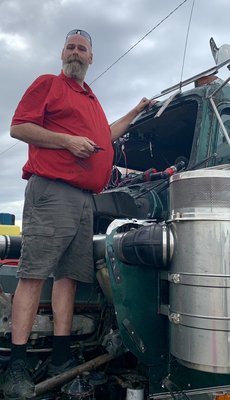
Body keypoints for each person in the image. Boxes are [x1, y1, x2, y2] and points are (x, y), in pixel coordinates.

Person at [3, 29, 152, 400]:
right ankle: (17, 365)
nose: (75, 52)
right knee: (34, 273)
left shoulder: (92, 101)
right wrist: (67, 141)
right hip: (52, 191)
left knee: (69, 277)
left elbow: (106, 136)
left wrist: (135, 112)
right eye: (70, 46)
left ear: (91, 58)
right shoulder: (49, 84)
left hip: (87, 200)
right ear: (62, 52)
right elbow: (18, 127)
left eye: (81, 48)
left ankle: (61, 358)